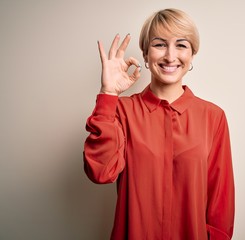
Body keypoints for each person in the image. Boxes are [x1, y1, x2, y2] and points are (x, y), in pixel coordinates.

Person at [83, 8, 235, 240]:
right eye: (160, 44)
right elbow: (101, 172)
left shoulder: (213, 117)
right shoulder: (122, 111)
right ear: (145, 54)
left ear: (192, 54)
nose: (170, 56)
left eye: (181, 45)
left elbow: (220, 204)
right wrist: (108, 94)